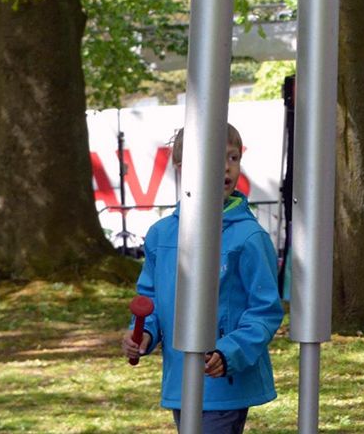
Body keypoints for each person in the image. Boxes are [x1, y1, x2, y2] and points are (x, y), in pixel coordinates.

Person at [121, 123, 283, 433]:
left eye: (233, 157)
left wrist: (229, 352)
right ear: (183, 169)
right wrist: (142, 334)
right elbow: (151, 301)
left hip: (224, 382)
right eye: (214, 157)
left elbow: (265, 311)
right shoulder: (161, 235)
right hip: (180, 380)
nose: (226, 167)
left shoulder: (249, 237)